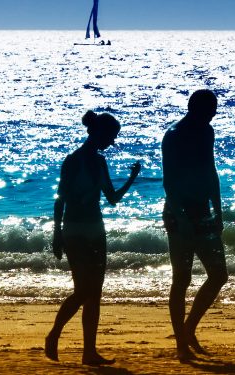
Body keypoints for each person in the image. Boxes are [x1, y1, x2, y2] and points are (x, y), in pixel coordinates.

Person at [45, 110, 140, 366]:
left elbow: (111, 198)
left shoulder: (100, 162)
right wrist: (57, 235)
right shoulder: (72, 161)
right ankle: (54, 334)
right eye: (111, 136)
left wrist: (131, 178)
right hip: (74, 230)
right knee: (82, 291)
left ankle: (89, 352)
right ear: (98, 132)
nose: (112, 142)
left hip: (96, 230)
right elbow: (60, 200)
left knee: (95, 293)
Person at [161, 89, 227, 361]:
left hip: (203, 212)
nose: (213, 115)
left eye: (214, 111)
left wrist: (218, 210)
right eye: (209, 110)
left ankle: (189, 329)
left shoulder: (207, 132)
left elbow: (210, 170)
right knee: (182, 278)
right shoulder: (174, 135)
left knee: (218, 274)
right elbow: (169, 181)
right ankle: (181, 342)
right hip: (179, 214)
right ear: (194, 108)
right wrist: (182, 217)